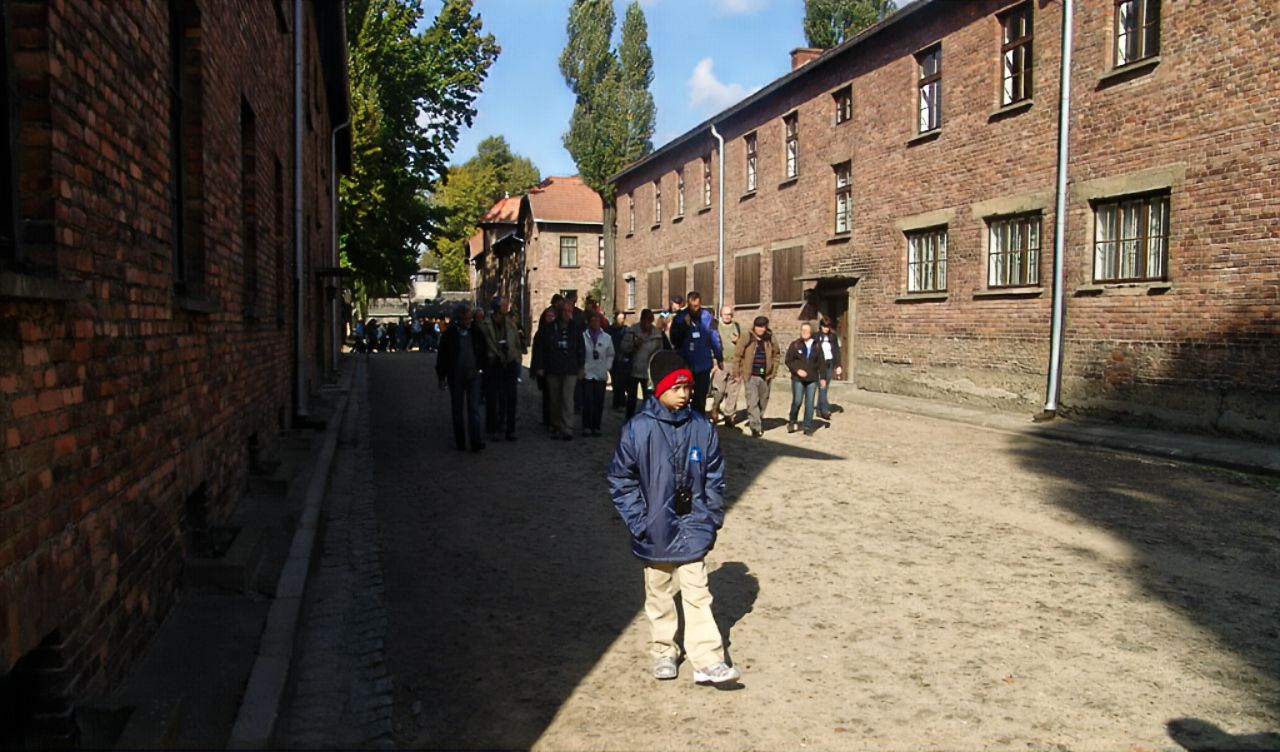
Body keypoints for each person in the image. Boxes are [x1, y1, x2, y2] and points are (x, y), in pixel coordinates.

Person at [607, 351, 739, 685]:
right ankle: (664, 650)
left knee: (698, 592)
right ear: (659, 388)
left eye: (688, 387)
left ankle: (708, 658)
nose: (684, 394)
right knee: (659, 593)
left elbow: (715, 475)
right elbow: (621, 479)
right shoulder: (637, 430)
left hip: (694, 524)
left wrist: (711, 516)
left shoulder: (702, 428)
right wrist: (640, 521)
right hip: (655, 528)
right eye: (676, 387)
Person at [435, 303, 487, 452]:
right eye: (466, 319)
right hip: (456, 376)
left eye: (470, 319)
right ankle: (460, 441)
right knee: (457, 410)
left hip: (473, 374)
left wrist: (482, 368)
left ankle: (475, 441)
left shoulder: (476, 332)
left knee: (474, 409)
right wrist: (441, 376)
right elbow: (442, 357)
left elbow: (483, 350)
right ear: (459, 319)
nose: (468, 321)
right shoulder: (450, 334)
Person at [534, 301, 585, 440]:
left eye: (570, 311)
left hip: (570, 368)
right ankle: (555, 425)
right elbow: (542, 348)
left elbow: (581, 348)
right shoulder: (550, 328)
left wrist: (581, 367)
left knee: (567, 399)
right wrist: (540, 366)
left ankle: (567, 428)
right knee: (554, 399)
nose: (568, 314)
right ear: (560, 312)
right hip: (553, 368)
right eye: (565, 311)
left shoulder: (575, 328)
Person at [667, 291, 722, 416]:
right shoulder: (680, 318)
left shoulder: (708, 318)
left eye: (697, 306)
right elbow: (674, 339)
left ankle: (698, 421)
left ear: (700, 303)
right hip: (685, 363)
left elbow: (715, 337)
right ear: (688, 303)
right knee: (684, 396)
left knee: (700, 398)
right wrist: (683, 328)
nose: (694, 309)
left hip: (703, 364)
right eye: (692, 306)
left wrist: (719, 356)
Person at [480, 297, 522, 441]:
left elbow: (516, 342)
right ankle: (492, 429)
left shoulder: (510, 324)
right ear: (497, 307)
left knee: (511, 397)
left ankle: (510, 429)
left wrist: (516, 357)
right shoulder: (485, 325)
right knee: (492, 397)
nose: (506, 307)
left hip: (509, 363)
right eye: (504, 305)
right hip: (493, 364)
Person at [734, 315, 780, 438]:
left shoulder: (770, 337)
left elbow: (776, 354)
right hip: (751, 375)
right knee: (752, 401)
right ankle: (755, 426)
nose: (761, 329)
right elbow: (738, 355)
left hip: (765, 376)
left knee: (763, 401)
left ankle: (757, 418)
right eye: (758, 326)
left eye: (763, 327)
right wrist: (737, 372)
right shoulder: (747, 336)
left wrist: (774, 371)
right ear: (754, 326)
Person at [620, 309, 665, 420]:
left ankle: (647, 420)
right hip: (633, 370)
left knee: (648, 399)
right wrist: (634, 346)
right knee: (631, 399)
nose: (646, 324)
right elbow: (623, 348)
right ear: (641, 320)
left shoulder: (657, 334)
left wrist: (656, 356)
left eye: (649, 321)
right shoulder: (632, 331)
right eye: (645, 321)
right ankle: (629, 420)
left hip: (648, 372)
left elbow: (660, 353)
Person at [785, 321, 827, 437]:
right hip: (798, 379)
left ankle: (807, 426)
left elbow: (822, 363)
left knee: (809, 403)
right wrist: (797, 370)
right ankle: (792, 420)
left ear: (811, 332)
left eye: (806, 330)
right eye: (802, 330)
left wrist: (823, 378)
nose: (804, 332)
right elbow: (788, 360)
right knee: (797, 401)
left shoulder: (817, 346)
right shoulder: (795, 345)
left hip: (812, 379)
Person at [581, 311, 615, 436]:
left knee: (599, 402)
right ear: (589, 322)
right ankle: (586, 426)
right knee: (587, 401)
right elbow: (580, 353)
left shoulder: (607, 338)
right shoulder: (583, 336)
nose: (595, 323)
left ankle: (596, 426)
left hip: (601, 373)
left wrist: (607, 367)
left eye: (597, 320)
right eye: (592, 320)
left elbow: (611, 354)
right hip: (587, 372)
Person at [709, 305, 742, 426]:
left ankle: (729, 416)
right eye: (725, 314)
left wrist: (738, 340)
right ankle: (715, 408)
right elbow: (710, 343)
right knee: (719, 390)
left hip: (735, 363)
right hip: (720, 363)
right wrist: (713, 362)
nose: (728, 316)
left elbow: (744, 343)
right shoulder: (715, 326)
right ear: (721, 315)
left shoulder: (737, 326)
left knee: (733, 391)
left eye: (730, 314)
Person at [529, 307, 558, 428]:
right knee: (547, 394)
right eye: (548, 316)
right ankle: (547, 419)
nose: (550, 318)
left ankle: (553, 419)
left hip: (555, 367)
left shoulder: (558, 331)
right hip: (545, 367)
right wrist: (538, 367)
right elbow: (537, 351)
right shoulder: (541, 333)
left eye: (552, 316)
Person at [815, 317, 844, 420]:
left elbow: (836, 351)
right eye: (824, 326)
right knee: (822, 386)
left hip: (829, 363)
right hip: (820, 364)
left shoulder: (833, 337)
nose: (826, 328)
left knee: (825, 386)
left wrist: (838, 365)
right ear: (821, 326)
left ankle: (819, 409)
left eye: (827, 326)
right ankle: (824, 410)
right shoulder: (816, 337)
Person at [608, 312, 630, 410]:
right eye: (620, 318)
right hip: (613, 359)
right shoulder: (610, 330)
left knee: (622, 382)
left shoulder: (626, 330)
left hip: (623, 359)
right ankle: (617, 402)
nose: (621, 321)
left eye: (623, 319)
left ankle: (621, 402)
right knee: (616, 382)